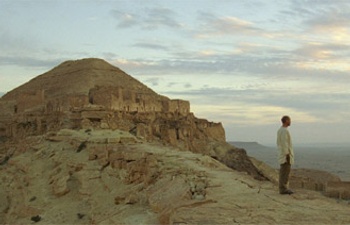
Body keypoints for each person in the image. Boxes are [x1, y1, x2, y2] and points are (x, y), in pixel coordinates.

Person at [277, 115, 294, 195]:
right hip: (285, 155)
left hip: (283, 154)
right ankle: (283, 189)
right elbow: (284, 143)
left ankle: (283, 188)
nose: (290, 122)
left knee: (284, 172)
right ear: (286, 121)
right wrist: (287, 154)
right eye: (289, 120)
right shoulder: (284, 131)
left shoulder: (281, 130)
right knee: (285, 172)